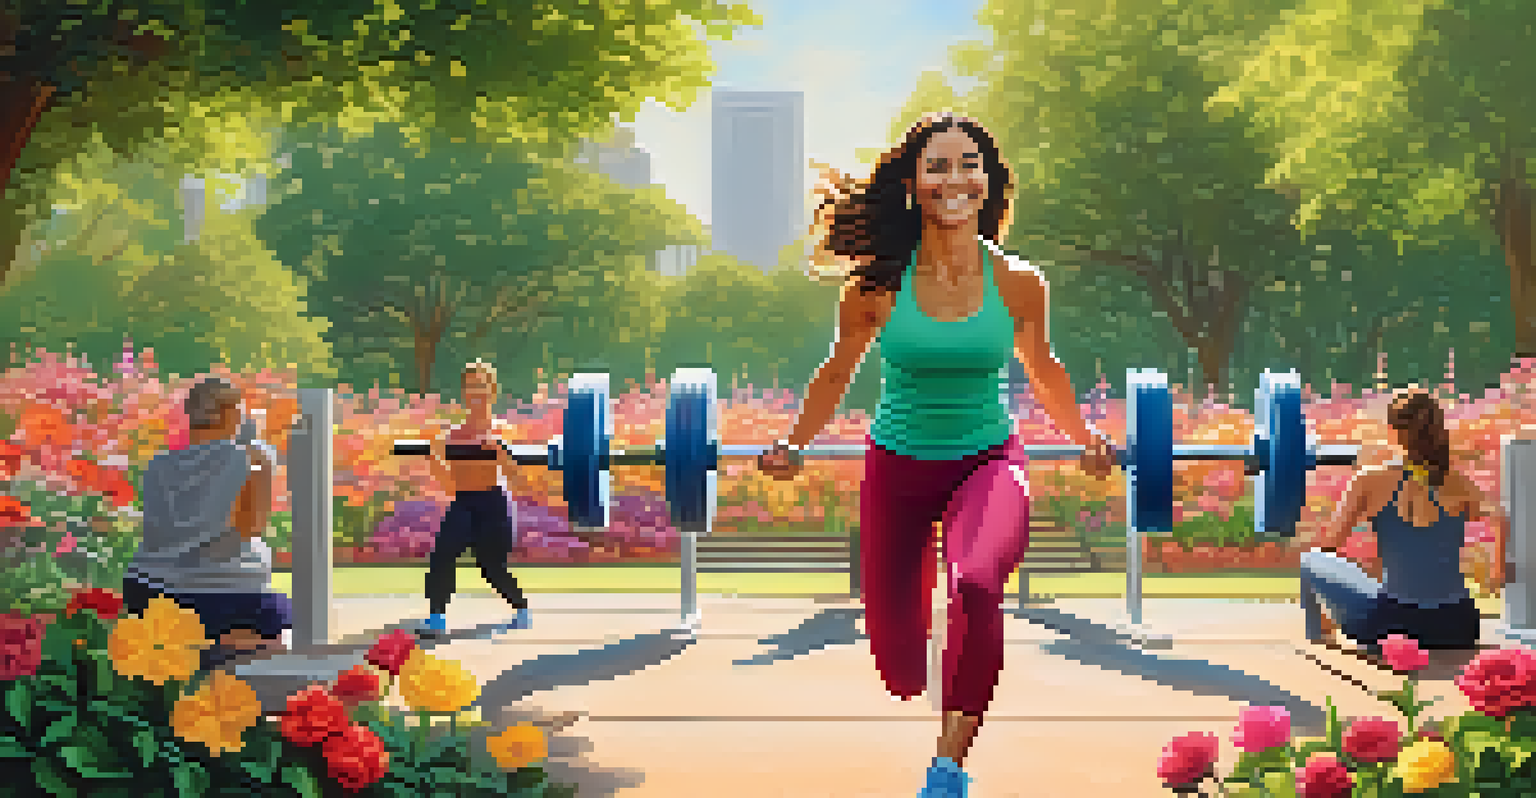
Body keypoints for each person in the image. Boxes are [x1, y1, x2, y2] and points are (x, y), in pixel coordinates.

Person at [759, 112, 1116, 798]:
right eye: (939, 165)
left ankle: (947, 767)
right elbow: (837, 371)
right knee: (899, 662)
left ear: (989, 182)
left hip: (988, 459)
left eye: (970, 164)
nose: (956, 179)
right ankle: (918, 680)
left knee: (978, 582)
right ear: (913, 184)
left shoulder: (1019, 282)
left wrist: (1085, 439)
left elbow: (1043, 368)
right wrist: (793, 443)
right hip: (897, 467)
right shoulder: (876, 287)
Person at [1302, 389, 1508, 656]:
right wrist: (1497, 572)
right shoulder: (1459, 483)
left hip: (1393, 627)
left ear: (1392, 432)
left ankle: (1320, 638)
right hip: (1458, 626)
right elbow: (1499, 517)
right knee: (1383, 588)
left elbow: (1329, 546)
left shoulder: (1370, 479)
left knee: (1309, 561)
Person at [123, 376, 292, 671]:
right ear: (234, 414)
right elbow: (252, 527)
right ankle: (220, 646)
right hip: (221, 594)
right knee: (275, 634)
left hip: (148, 588)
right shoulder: (251, 459)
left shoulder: (157, 464)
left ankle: (194, 645)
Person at [418, 359, 530, 637]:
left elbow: (519, 480)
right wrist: (434, 460)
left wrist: (502, 454)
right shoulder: (453, 436)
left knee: (491, 565)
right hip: (464, 502)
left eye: (481, 386)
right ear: (464, 393)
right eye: (470, 387)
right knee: (443, 553)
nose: (476, 393)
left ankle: (522, 609)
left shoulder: (503, 430)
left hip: (494, 503)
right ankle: (436, 618)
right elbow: (450, 484)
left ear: (492, 391)